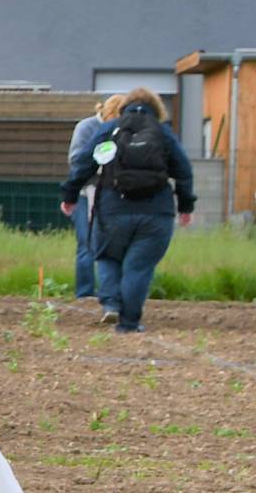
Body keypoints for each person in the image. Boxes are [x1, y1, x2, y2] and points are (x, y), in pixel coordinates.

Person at [60, 87, 195, 333]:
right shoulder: (164, 133)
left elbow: (83, 163)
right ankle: (129, 323)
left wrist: (70, 195)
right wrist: (186, 206)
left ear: (124, 106)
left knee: (108, 256)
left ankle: (111, 304)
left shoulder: (108, 130)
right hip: (156, 213)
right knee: (139, 267)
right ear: (158, 109)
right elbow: (184, 170)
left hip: (113, 209)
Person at [63, 93, 124, 303]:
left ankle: (110, 292)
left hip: (112, 194)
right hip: (85, 193)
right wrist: (101, 165)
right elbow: (76, 159)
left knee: (111, 245)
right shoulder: (86, 127)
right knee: (86, 243)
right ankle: (85, 292)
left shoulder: (123, 129)